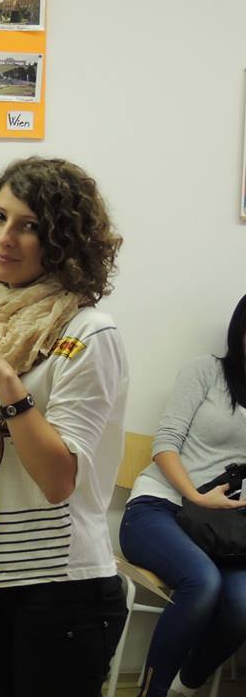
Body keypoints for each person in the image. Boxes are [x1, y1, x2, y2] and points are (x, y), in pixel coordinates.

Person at [0, 157, 128, 697]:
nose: (5, 237)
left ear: (63, 240)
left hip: (65, 585)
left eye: (28, 226)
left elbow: (57, 479)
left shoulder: (89, 332)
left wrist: (4, 375)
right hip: (0, 580)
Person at [119, 293, 246, 697]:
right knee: (202, 582)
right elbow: (165, 443)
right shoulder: (206, 371)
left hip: (220, 528)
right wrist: (197, 495)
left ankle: (182, 686)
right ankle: (151, 692)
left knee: (243, 604)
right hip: (159, 507)